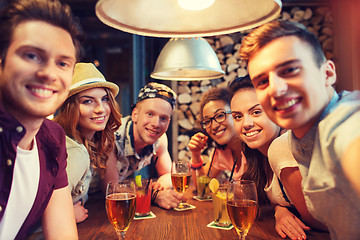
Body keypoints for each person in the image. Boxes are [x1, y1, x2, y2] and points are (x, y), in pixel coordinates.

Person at [239, 19, 360, 239]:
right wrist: (280, 209)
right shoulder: (298, 138)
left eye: (290, 69)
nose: (276, 89)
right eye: (263, 81)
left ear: (327, 73)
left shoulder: (345, 123)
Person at [0, 0, 83, 239]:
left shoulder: (53, 139)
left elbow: (62, 234)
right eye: (32, 55)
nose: (48, 73)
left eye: (62, 63)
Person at [229, 75, 326, 240]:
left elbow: (318, 220)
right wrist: (280, 211)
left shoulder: (281, 146)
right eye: (238, 116)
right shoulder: (257, 153)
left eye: (256, 112)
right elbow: (279, 195)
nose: (246, 123)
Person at [54, 62, 122, 223]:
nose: (100, 109)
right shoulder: (74, 151)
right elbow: (44, 207)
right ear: (69, 108)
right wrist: (69, 214)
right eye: (87, 101)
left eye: (105, 99)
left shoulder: (84, 143)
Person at [104, 82, 186, 209]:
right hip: (86, 200)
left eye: (163, 118)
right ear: (135, 114)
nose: (156, 124)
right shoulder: (112, 137)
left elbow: (168, 175)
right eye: (150, 114)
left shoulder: (160, 139)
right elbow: (112, 190)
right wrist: (154, 196)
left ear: (169, 122)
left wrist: (159, 186)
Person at [188, 88, 247, 186]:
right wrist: (196, 155)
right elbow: (201, 186)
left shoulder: (255, 145)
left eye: (220, 116)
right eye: (207, 121)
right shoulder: (222, 152)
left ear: (236, 114)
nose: (214, 126)